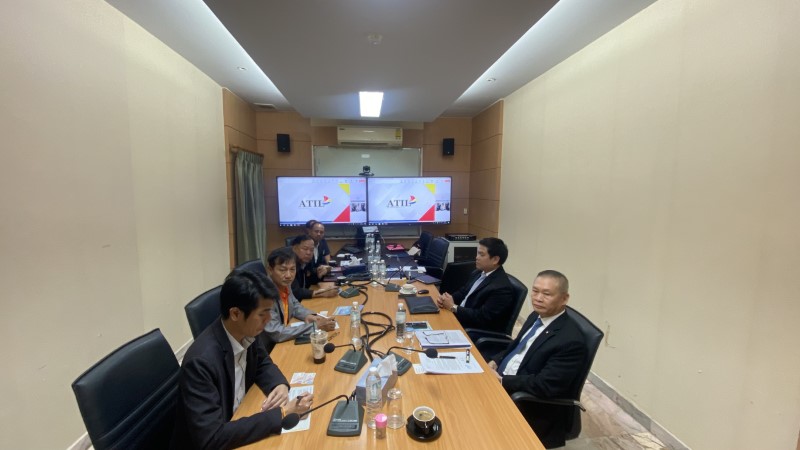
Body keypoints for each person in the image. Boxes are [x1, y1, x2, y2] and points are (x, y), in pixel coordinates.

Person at [171, 269, 313, 449]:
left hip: (241, 416)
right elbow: (211, 438)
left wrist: (279, 384)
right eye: (262, 314)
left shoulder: (246, 331)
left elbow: (262, 362)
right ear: (235, 314)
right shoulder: (200, 363)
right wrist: (282, 414)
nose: (269, 319)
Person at [488, 270, 587, 449]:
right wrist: (495, 361)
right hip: (501, 382)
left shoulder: (571, 341)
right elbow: (515, 346)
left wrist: (502, 381)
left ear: (564, 298)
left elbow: (545, 385)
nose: (538, 298)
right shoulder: (536, 316)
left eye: (546, 294)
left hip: (529, 405)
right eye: (535, 291)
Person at [435, 237, 514, 332]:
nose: (477, 257)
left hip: (471, 329)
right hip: (459, 316)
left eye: (481, 254)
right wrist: (447, 299)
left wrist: (453, 307)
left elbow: (481, 317)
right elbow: (463, 291)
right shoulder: (478, 272)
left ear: (495, 260)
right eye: (477, 253)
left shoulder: (502, 288)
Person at [263, 247, 336, 345]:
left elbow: (294, 304)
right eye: (282, 270)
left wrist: (308, 315)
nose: (288, 275)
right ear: (270, 270)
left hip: (285, 334)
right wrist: (315, 326)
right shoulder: (264, 294)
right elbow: (276, 333)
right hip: (271, 347)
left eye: (292, 269)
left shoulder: (284, 282)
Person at [291, 234, 338, 300]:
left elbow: (309, 280)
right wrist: (321, 293)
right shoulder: (289, 266)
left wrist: (320, 273)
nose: (308, 253)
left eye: (311, 250)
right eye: (305, 249)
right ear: (294, 248)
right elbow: (294, 292)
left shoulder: (306, 261)